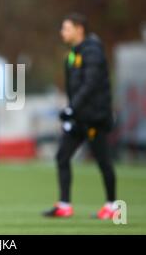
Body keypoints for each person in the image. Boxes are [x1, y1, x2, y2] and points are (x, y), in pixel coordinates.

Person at [43, 13, 117, 219]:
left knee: (103, 161)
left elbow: (90, 84)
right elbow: (73, 88)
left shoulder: (93, 52)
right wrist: (72, 111)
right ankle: (64, 204)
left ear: (79, 29)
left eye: (66, 28)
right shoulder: (73, 54)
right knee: (62, 156)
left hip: (94, 118)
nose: (62, 32)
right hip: (79, 118)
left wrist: (71, 108)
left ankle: (112, 206)